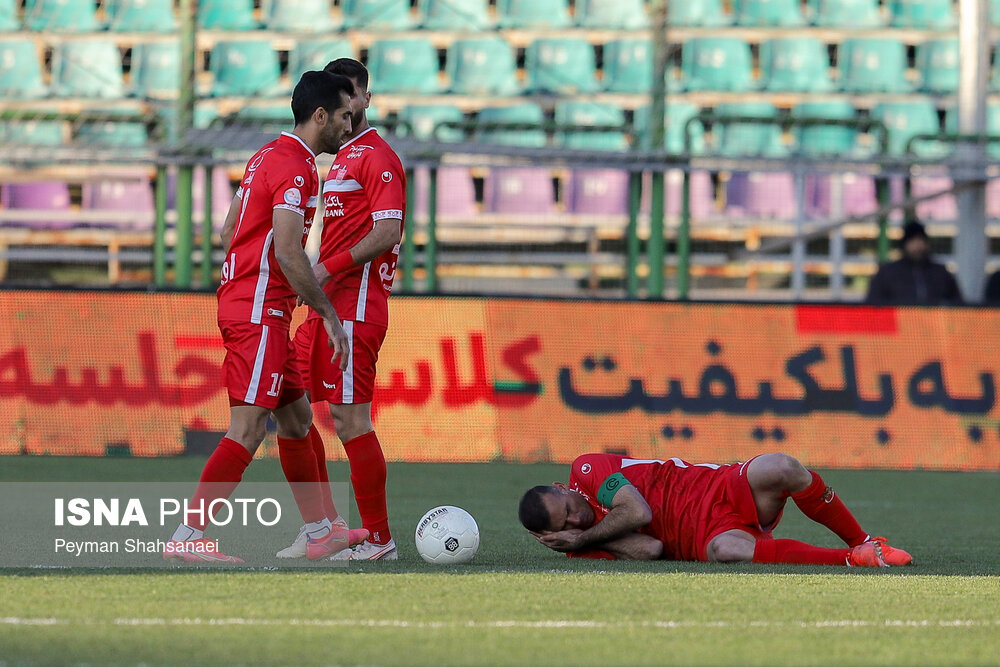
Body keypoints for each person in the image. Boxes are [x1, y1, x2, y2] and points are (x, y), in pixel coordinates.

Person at [164, 71, 361, 564]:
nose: (349, 122)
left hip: (256, 302)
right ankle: (189, 536)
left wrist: (247, 271)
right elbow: (292, 254)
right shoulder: (297, 167)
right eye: (343, 115)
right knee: (249, 429)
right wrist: (327, 316)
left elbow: (230, 227)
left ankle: (322, 530)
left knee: (296, 422)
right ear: (321, 116)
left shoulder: (266, 155)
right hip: (260, 311)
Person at [278, 58, 406, 562]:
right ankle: (323, 528)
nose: (345, 104)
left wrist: (325, 268)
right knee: (290, 410)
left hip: (355, 307)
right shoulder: (341, 157)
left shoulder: (377, 157)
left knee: (352, 422)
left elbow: (388, 231)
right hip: (325, 309)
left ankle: (379, 540)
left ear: (365, 99)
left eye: (350, 92)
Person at [519, 452, 913, 567]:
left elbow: (636, 512)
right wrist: (582, 543)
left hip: (716, 487)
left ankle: (865, 539)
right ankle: (854, 557)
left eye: (568, 506)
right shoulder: (578, 547)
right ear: (546, 536)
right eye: (565, 523)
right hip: (703, 538)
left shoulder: (586, 471)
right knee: (728, 552)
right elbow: (652, 550)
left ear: (562, 487)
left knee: (783, 467)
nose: (575, 518)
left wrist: (585, 537)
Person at [866, 220, 963, 305]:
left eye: (920, 241)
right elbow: (873, 305)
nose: (917, 246)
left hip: (934, 324)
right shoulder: (887, 273)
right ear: (904, 245)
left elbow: (958, 305)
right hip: (897, 324)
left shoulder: (941, 273)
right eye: (913, 242)